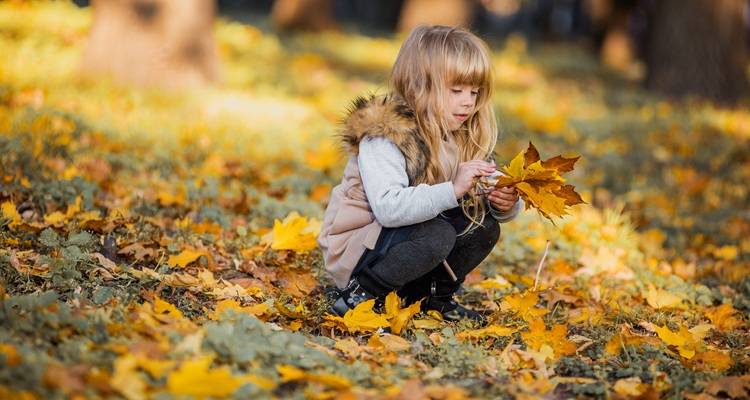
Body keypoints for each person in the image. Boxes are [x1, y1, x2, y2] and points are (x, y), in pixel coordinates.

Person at [316, 25, 523, 325]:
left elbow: (478, 199)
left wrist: (502, 202)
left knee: (484, 227)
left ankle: (431, 299)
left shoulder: (461, 136)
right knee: (437, 234)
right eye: (456, 91)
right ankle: (359, 297)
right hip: (358, 249)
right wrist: (453, 190)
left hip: (406, 243)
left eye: (474, 92)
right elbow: (388, 209)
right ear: (418, 86)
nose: (468, 101)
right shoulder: (386, 137)